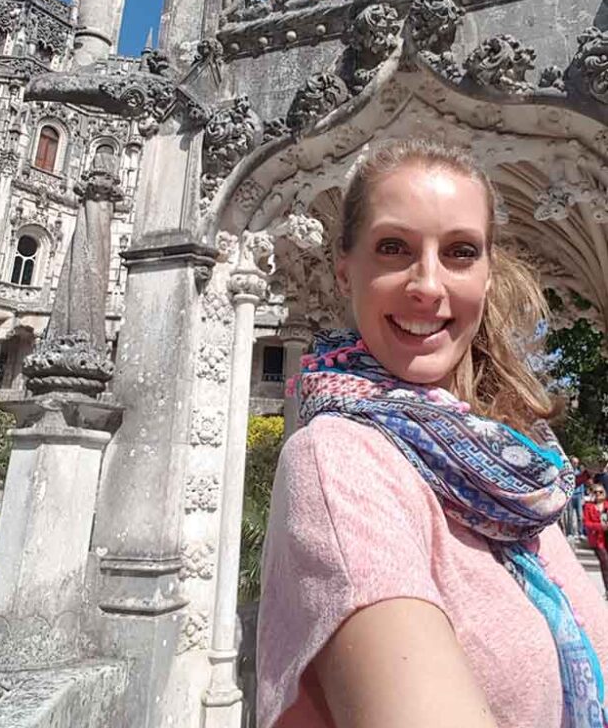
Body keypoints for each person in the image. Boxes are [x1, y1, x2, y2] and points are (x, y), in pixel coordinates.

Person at [257, 140, 608, 728]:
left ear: (487, 275)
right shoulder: (339, 459)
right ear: (345, 271)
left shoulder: (512, 475)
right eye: (393, 248)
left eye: (460, 252)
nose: (427, 284)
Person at [584, 484, 608, 599]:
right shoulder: (588, 507)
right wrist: (600, 526)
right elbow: (587, 523)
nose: (598, 494)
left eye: (600, 492)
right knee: (605, 563)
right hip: (598, 539)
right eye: (596, 492)